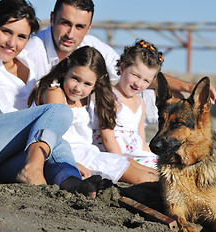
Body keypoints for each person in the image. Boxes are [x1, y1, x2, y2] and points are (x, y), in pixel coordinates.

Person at [0, 0, 104, 198]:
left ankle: (72, 183)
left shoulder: (26, 64)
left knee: (59, 145)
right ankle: (33, 168)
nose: (12, 43)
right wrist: (46, 140)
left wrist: (53, 147)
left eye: (22, 37)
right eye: (6, 31)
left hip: (0, 161)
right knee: (58, 112)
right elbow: (8, 115)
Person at [25, 0, 216, 126]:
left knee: (161, 96)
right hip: (51, 121)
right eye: (65, 23)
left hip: (90, 118)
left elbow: (134, 73)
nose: (70, 33)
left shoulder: (91, 45)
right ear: (51, 19)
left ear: (89, 27)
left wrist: (188, 87)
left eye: (79, 27)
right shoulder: (32, 51)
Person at [28, 45, 160, 185]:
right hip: (70, 155)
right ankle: (165, 186)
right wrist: (71, 163)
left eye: (87, 83)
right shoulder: (55, 92)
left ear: (95, 85)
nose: (78, 88)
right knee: (133, 173)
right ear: (66, 70)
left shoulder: (86, 99)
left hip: (90, 153)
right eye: (75, 78)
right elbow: (53, 135)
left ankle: (173, 182)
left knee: (131, 163)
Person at [93, 40, 161, 169]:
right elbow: (108, 139)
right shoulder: (110, 96)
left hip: (135, 154)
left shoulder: (141, 102)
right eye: (135, 75)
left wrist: (148, 154)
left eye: (146, 80)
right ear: (122, 68)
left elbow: (141, 139)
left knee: (162, 165)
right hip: (114, 154)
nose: (139, 84)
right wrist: (122, 164)